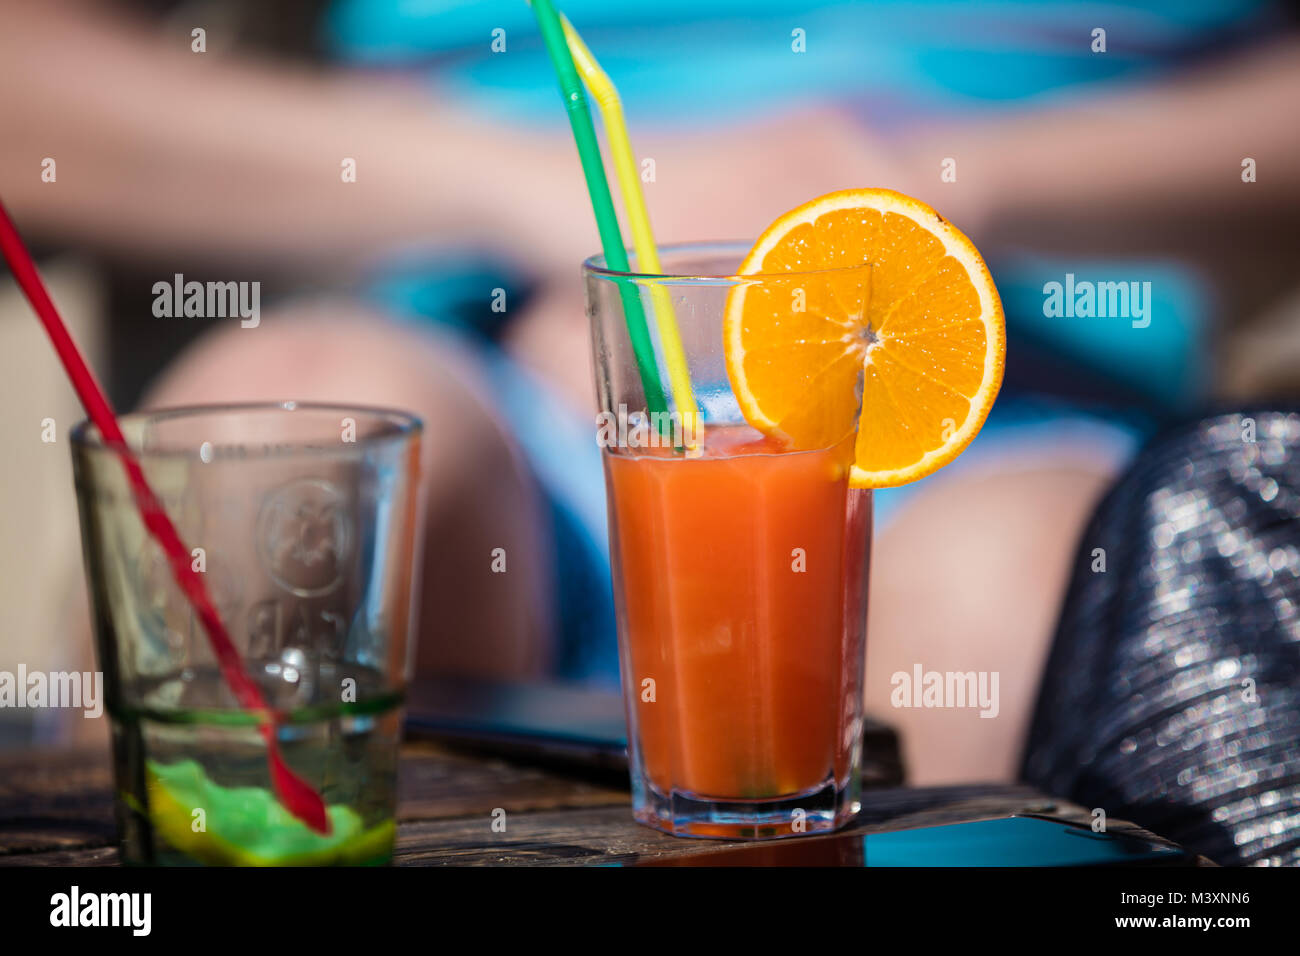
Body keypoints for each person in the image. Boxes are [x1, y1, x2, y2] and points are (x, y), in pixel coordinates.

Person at [4, 0, 1299, 782]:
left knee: (1014, 596)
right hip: (481, 377)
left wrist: (952, 180)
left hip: (1005, 404)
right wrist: (512, 184)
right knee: (289, 449)